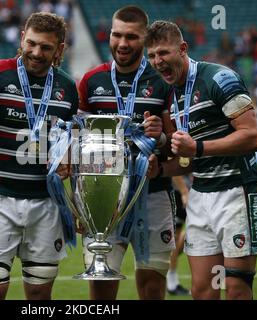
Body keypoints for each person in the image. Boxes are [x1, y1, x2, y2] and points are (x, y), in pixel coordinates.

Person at [0, 12, 78, 300]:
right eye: (31, 43)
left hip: (47, 204)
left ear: (59, 49)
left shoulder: (68, 88)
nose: (36, 52)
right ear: (22, 37)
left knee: (38, 295)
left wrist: (71, 172)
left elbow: (70, 145)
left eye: (46, 47)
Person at [145, 20, 257, 300]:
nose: (157, 61)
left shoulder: (220, 78)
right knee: (203, 291)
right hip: (201, 195)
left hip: (237, 192)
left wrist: (197, 147)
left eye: (163, 53)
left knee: (236, 289)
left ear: (183, 48)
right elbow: (187, 160)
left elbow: (253, 136)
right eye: (151, 56)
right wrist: (161, 168)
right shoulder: (172, 95)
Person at [78, 5, 176, 300]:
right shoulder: (91, 81)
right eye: (116, 35)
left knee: (152, 286)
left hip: (154, 194)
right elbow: (78, 144)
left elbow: (177, 144)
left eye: (131, 37)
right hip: (103, 200)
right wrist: (80, 203)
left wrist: (160, 137)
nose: (122, 43)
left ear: (145, 39)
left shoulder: (163, 81)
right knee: (102, 286)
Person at [166, 175, 191, 296]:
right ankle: (172, 283)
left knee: (180, 237)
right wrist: (184, 191)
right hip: (177, 192)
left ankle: (170, 279)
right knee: (173, 239)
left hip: (189, 191)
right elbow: (174, 162)